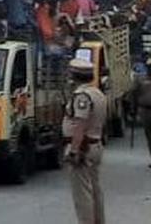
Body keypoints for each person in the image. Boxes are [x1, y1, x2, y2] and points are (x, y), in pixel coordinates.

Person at [63, 58, 106, 224]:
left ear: (74, 76)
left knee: (82, 194)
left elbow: (80, 124)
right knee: (95, 189)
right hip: (95, 144)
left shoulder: (82, 96)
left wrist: (74, 150)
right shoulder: (97, 93)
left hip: (83, 147)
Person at [136, 58, 151, 169]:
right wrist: (132, 108)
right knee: (149, 136)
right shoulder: (141, 80)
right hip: (145, 111)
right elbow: (134, 94)